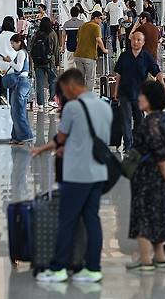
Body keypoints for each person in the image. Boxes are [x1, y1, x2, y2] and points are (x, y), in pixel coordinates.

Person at [32, 69, 112, 284]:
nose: (64, 96)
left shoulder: (74, 108)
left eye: (64, 91)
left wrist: (53, 148)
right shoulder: (105, 106)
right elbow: (92, 138)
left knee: (66, 221)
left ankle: (58, 268)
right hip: (99, 171)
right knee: (92, 220)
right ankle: (93, 269)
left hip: (77, 174)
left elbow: (62, 136)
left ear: (71, 86)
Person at [127, 81, 165, 272]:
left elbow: (159, 150)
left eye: (142, 96)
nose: (139, 98)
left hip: (147, 176)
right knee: (157, 213)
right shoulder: (164, 119)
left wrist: (164, 170)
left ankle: (145, 259)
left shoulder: (150, 122)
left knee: (143, 214)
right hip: (158, 176)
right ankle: (160, 256)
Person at [114, 31, 163, 152]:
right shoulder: (124, 56)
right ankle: (127, 145)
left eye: (138, 40)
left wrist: (163, 85)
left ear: (143, 42)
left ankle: (137, 143)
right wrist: (115, 92)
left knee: (139, 120)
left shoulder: (146, 57)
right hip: (124, 93)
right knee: (126, 119)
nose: (135, 42)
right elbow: (118, 75)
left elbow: (157, 72)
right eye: (134, 39)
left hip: (140, 95)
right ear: (130, 41)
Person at [2, 34, 34, 144]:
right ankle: (16, 136)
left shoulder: (21, 53)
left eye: (12, 43)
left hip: (20, 83)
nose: (12, 46)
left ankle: (25, 136)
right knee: (19, 110)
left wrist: (9, 61)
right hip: (24, 83)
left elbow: (19, 68)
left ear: (18, 42)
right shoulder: (24, 52)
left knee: (17, 111)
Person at [74, 11, 108, 91]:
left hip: (78, 55)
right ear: (96, 18)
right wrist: (104, 50)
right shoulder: (96, 27)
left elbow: (77, 39)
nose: (101, 21)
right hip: (89, 56)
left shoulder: (82, 26)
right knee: (90, 78)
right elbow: (98, 40)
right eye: (101, 19)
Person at [30, 17, 60, 109]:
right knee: (53, 81)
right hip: (50, 62)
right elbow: (56, 49)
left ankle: (40, 103)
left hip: (38, 62)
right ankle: (52, 100)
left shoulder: (36, 34)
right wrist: (57, 63)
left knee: (40, 83)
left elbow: (31, 48)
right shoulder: (52, 33)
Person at [61, 5, 85, 70]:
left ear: (70, 13)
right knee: (80, 65)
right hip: (80, 48)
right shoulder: (82, 23)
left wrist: (62, 47)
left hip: (70, 47)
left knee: (70, 64)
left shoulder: (66, 24)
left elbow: (63, 36)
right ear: (78, 13)